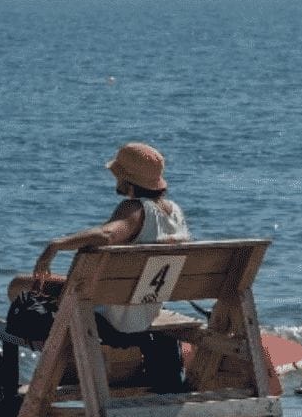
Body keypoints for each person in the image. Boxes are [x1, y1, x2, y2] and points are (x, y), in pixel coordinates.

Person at [11, 141, 192, 394]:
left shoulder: (135, 209)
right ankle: (110, 366)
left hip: (113, 317)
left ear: (128, 180)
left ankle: (66, 371)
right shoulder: (175, 213)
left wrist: (56, 245)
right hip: (145, 309)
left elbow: (107, 235)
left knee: (19, 286)